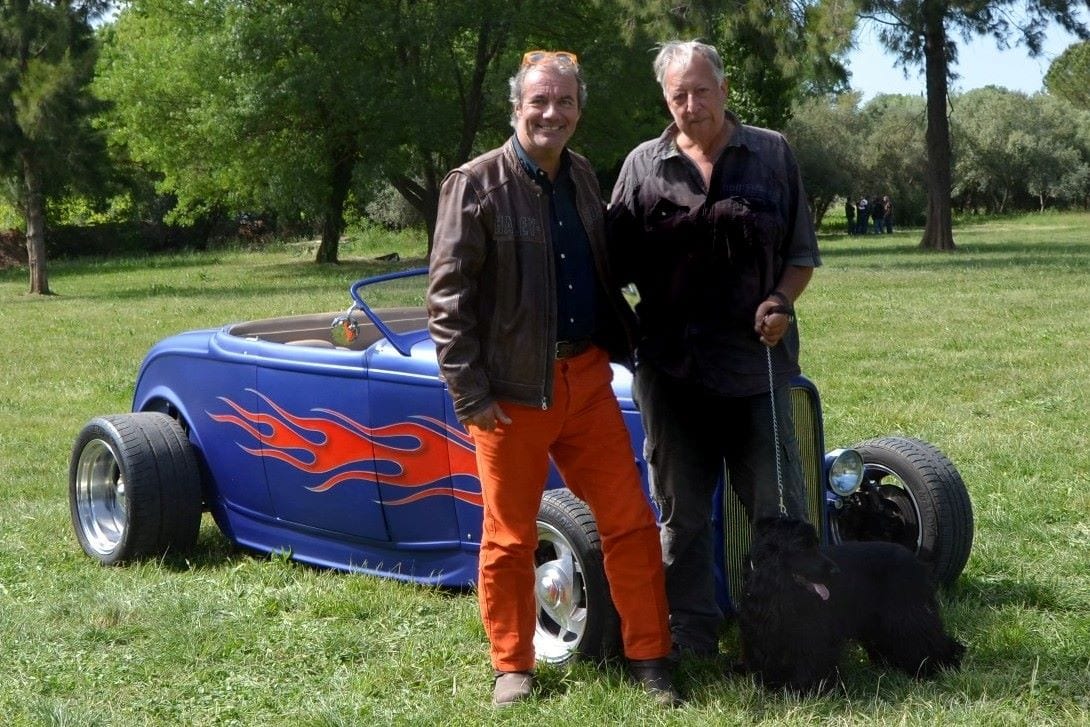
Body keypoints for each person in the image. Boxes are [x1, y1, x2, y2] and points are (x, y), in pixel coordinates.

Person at [427, 50, 678, 708]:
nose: (551, 113)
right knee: (509, 537)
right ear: (516, 107)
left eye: (564, 101)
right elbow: (446, 303)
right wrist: (471, 395)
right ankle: (513, 665)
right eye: (539, 101)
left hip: (586, 379)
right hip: (510, 394)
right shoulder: (474, 184)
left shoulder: (583, 176)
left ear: (578, 111)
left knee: (630, 522)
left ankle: (651, 656)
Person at [608, 40, 821, 659]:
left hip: (756, 366)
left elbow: (801, 254)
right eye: (679, 94)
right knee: (683, 515)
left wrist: (779, 301)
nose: (692, 104)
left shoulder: (771, 154)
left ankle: (788, 632)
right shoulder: (642, 166)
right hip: (672, 373)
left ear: (724, 90)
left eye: (703, 91)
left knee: (780, 508)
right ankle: (692, 635)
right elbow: (609, 262)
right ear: (665, 98)